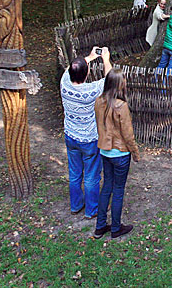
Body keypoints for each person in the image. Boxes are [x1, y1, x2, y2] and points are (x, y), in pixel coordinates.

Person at [61, 46, 112, 219]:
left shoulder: (64, 83)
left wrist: (88, 58)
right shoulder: (91, 90)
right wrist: (105, 59)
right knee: (91, 175)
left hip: (70, 136)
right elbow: (111, 79)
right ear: (87, 73)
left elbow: (70, 68)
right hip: (89, 139)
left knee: (75, 173)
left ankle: (76, 205)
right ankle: (92, 210)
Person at [93, 68, 140, 239]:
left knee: (106, 187)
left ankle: (100, 227)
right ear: (120, 85)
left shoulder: (99, 101)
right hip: (120, 153)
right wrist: (135, 153)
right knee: (118, 190)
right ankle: (115, 228)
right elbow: (128, 135)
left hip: (105, 152)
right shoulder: (121, 106)